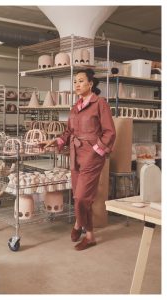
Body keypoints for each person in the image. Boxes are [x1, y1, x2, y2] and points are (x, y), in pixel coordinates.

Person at [39, 68, 116, 251]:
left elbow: (110, 131)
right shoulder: (75, 107)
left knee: (81, 197)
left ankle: (77, 225)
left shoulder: (100, 104)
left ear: (90, 84)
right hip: (75, 155)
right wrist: (54, 140)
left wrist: (97, 150)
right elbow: (68, 132)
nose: (77, 85)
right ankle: (89, 236)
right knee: (81, 197)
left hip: (91, 156)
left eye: (81, 81)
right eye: (75, 82)